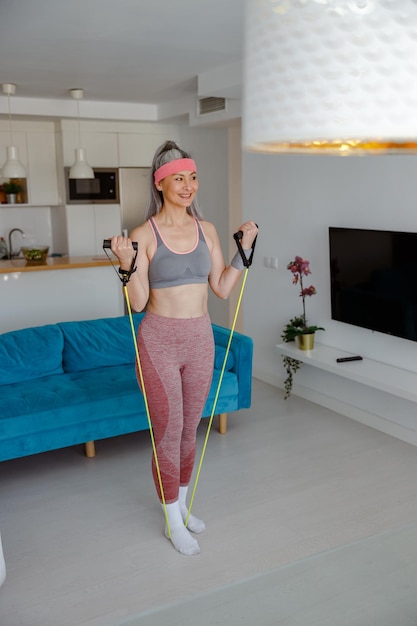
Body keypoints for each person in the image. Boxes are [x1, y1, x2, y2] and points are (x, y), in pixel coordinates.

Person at [110, 140, 257, 556]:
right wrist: (125, 266)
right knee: (168, 432)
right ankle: (173, 520)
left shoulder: (206, 229)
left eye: (192, 177)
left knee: (190, 431)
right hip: (158, 341)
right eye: (179, 178)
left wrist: (243, 251)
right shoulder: (143, 234)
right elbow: (137, 303)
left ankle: (181, 505)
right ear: (160, 184)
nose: (188, 185)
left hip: (200, 338)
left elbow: (223, 288)